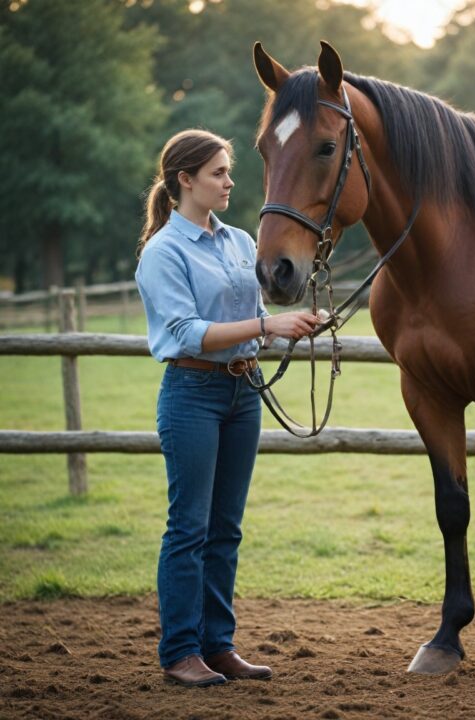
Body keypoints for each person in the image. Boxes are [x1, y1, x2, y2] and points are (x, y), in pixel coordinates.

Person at [136, 129, 317, 687]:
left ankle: (218, 646)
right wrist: (267, 324)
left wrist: (293, 326)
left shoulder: (240, 240)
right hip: (193, 395)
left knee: (226, 529)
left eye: (228, 171)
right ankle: (180, 651)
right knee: (188, 529)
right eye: (218, 173)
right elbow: (187, 332)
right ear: (185, 180)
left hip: (244, 392)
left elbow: (251, 319)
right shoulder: (162, 252)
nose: (230, 182)